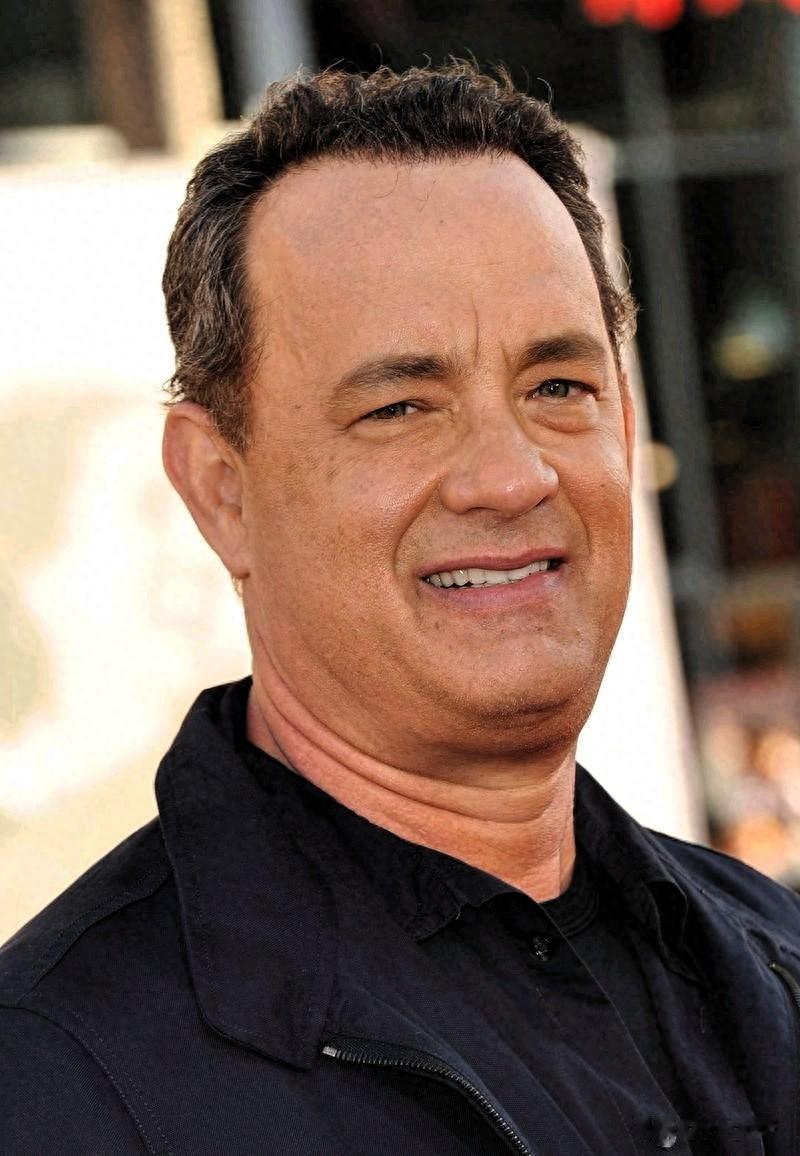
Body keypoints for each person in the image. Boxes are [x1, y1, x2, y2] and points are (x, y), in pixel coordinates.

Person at [1, 62, 799, 1156]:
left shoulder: (771, 953)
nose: (510, 475)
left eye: (557, 387)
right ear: (221, 490)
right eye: (400, 407)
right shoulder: (56, 1085)